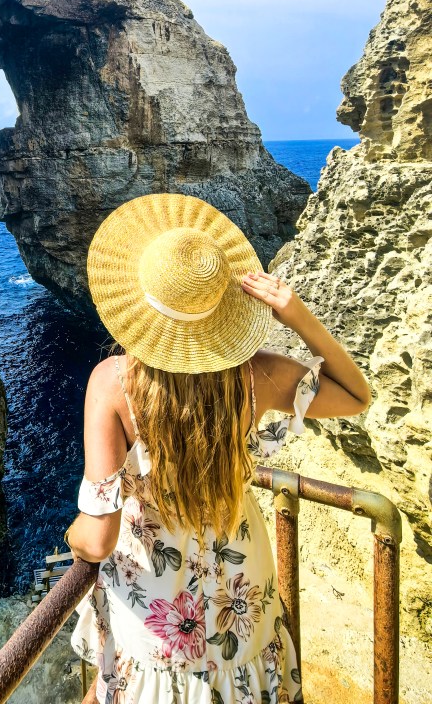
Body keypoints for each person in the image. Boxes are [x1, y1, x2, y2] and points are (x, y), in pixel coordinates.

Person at [65, 193, 371, 704]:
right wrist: (295, 313)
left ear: (138, 305)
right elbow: (355, 395)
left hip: (155, 604)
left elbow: (97, 540)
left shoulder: (111, 383)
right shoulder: (259, 376)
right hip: (240, 581)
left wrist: (73, 535)